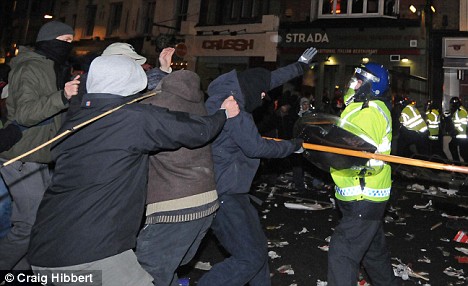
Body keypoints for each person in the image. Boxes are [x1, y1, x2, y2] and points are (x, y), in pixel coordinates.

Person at [27, 55, 240, 286]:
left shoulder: (77, 119)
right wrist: (223, 113)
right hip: (92, 253)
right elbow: (198, 131)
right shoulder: (132, 119)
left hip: (43, 252)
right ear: (134, 83)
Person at [197, 47, 317, 286]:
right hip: (224, 193)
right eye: (262, 94)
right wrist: (294, 147)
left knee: (258, 251)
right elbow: (256, 148)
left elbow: (267, 80)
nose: (264, 97)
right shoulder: (234, 109)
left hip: (235, 190)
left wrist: (300, 66)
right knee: (249, 257)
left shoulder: (236, 87)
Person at [0, 20, 79, 270]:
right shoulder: (31, 67)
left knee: (37, 220)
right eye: (64, 40)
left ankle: (20, 273)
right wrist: (62, 96)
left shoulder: (53, 67)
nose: (68, 46)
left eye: (70, 41)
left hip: (39, 155)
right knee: (29, 223)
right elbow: (24, 114)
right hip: (22, 155)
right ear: (49, 40)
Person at [135, 70, 219, 286]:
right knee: (166, 270)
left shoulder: (155, 107)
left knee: (146, 275)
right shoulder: (199, 107)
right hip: (206, 201)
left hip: (174, 206)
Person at [327, 62, 399, 285]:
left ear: (370, 86)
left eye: (357, 82)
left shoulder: (370, 112)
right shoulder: (361, 108)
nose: (352, 85)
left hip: (363, 195)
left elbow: (357, 155)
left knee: (342, 254)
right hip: (363, 195)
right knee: (373, 255)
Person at [449, 96, 468, 162]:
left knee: (464, 153)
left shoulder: (461, 111)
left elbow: (464, 124)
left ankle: (461, 167)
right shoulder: (457, 111)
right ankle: (458, 165)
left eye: (452, 104)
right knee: (452, 146)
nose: (451, 106)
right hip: (460, 135)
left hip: (463, 136)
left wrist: (456, 130)